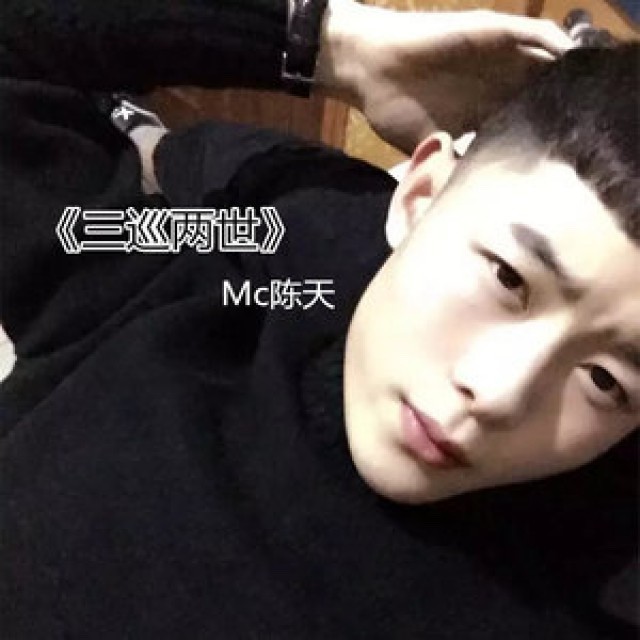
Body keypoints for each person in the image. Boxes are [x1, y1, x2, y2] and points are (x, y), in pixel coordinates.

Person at [0, 0, 637, 638]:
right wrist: (324, 46)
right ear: (420, 195)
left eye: (605, 380)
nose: (498, 395)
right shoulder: (193, 289)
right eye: (508, 278)